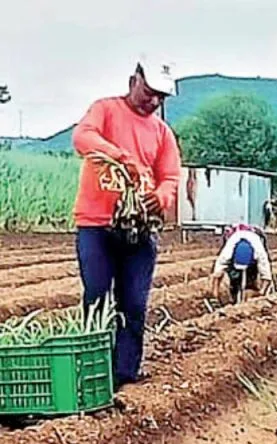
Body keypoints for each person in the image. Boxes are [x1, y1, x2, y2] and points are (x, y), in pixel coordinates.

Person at [71, 55, 181, 387]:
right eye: (149, 92)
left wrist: (160, 197)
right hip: (96, 224)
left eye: (161, 97)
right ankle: (92, 371)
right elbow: (82, 138)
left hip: (139, 228)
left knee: (133, 303)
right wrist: (119, 157)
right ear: (134, 81)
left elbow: (171, 177)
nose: (154, 101)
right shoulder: (104, 110)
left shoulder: (162, 132)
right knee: (97, 296)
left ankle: (124, 375)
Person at [209, 224, 272, 303]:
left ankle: (248, 292)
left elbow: (266, 276)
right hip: (234, 263)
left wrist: (261, 292)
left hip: (252, 265)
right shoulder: (228, 252)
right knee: (234, 280)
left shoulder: (259, 252)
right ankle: (234, 295)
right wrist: (215, 294)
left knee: (250, 282)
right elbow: (217, 274)